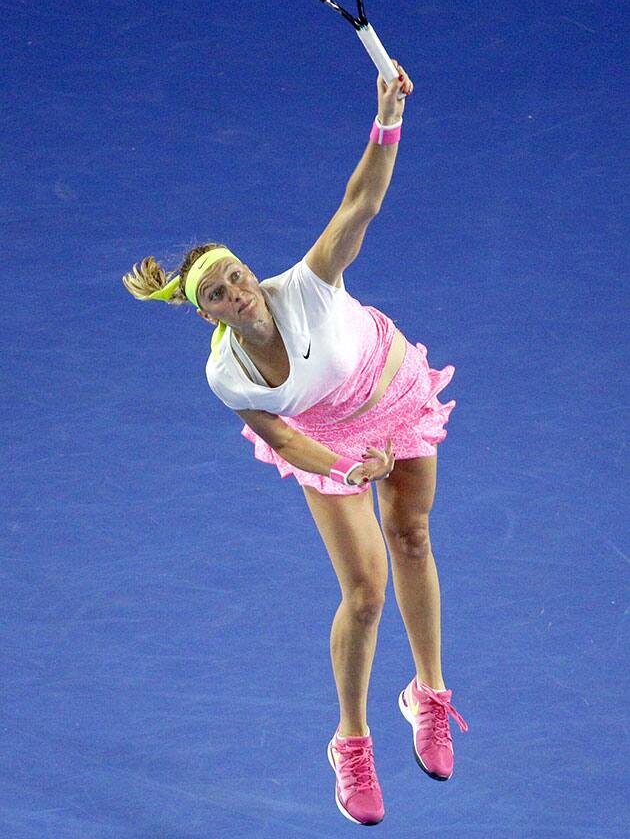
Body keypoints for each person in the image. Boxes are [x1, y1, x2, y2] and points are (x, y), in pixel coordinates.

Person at [122, 62, 468, 827]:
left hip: (396, 395)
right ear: (206, 312)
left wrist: (388, 117)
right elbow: (283, 435)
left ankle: (429, 694)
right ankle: (351, 740)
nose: (238, 291)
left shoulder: (308, 283)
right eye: (218, 292)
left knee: (411, 536)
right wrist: (349, 464)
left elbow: (363, 201)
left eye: (239, 276)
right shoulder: (226, 373)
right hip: (330, 443)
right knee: (366, 592)